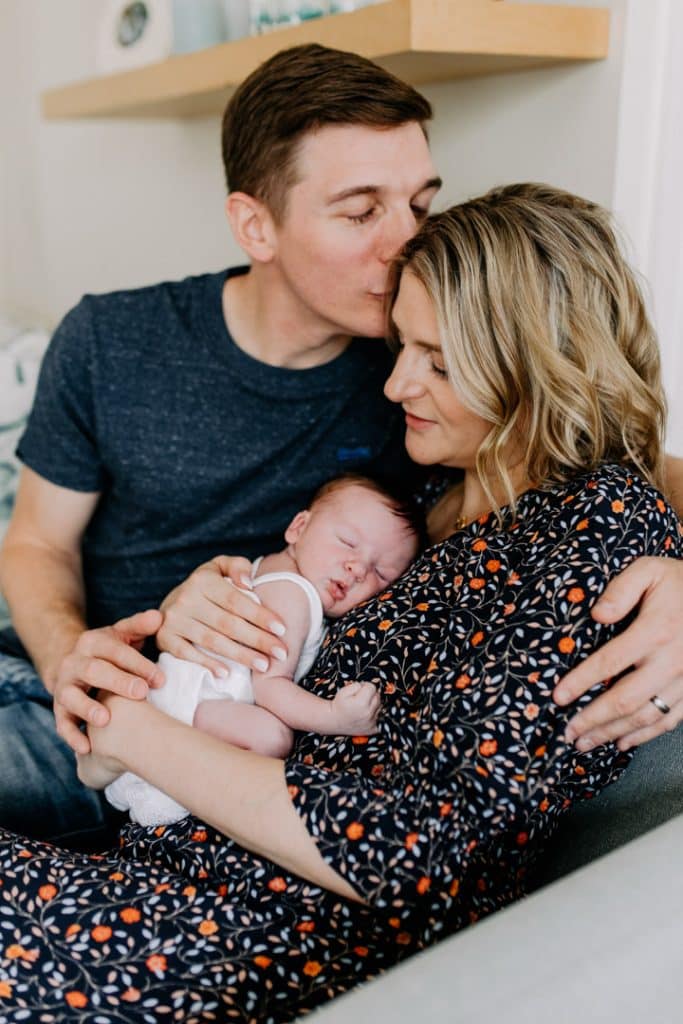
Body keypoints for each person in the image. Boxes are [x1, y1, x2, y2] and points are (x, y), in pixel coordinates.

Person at [1, 183, 680, 1022]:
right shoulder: (443, 488)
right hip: (160, 862)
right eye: (402, 345)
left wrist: (129, 726)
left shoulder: (590, 527)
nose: (395, 383)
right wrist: (195, 610)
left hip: (254, 938)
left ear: (535, 362)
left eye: (436, 359)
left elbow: (417, 852)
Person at [0, 45, 682, 851]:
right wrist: (72, 664)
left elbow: (612, 463)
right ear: (256, 223)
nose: (403, 248)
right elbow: (38, 540)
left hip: (187, 742)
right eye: (360, 213)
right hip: (80, 684)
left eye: (419, 206)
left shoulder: (439, 387)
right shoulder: (110, 340)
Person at [101, 474, 421, 824]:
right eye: (347, 542)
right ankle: (177, 791)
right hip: (195, 702)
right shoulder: (293, 593)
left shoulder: (273, 567)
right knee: (272, 738)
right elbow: (271, 688)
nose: (357, 569)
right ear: (298, 527)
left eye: (381, 573)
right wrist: (335, 717)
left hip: (183, 695)